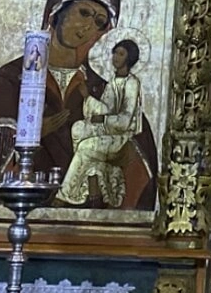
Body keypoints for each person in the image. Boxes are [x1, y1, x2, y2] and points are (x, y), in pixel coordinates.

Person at [0, 0, 158, 208]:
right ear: (57, 10)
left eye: (99, 22)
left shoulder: (101, 90)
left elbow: (141, 165)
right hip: (20, 208)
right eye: (84, 13)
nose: (87, 26)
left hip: (90, 219)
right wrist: (27, 134)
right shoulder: (9, 80)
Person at [55, 37, 148, 207]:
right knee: (78, 128)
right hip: (107, 130)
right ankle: (91, 177)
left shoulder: (131, 84)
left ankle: (65, 194)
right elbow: (105, 109)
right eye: (115, 53)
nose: (115, 57)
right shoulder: (113, 82)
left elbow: (125, 120)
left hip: (121, 136)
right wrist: (88, 98)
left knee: (85, 147)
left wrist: (104, 119)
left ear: (129, 58)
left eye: (121, 54)